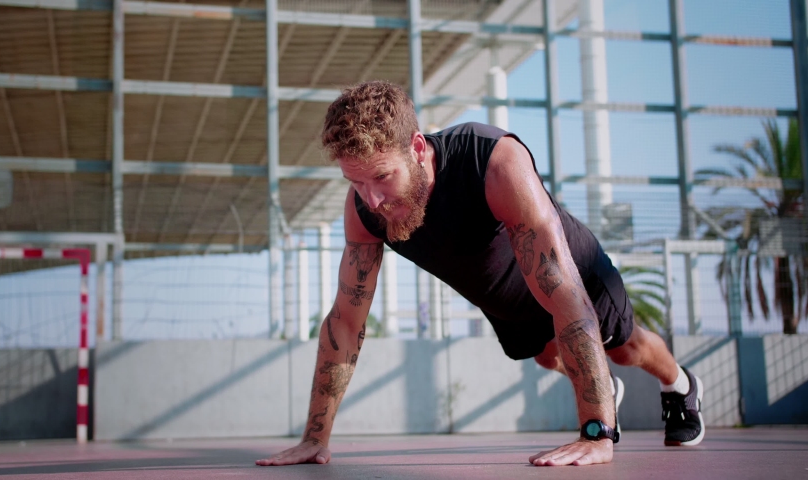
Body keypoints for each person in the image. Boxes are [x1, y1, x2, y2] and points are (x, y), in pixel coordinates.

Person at [256, 80, 704, 468]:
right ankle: (600, 386)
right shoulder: (365, 212)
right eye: (356, 183)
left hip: (572, 271)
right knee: (549, 357)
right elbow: (345, 323)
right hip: (505, 299)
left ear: (415, 148)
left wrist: (596, 431)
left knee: (625, 347)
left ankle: (680, 386)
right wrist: (315, 437)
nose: (371, 199)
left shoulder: (491, 161)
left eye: (381, 177)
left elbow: (567, 295)